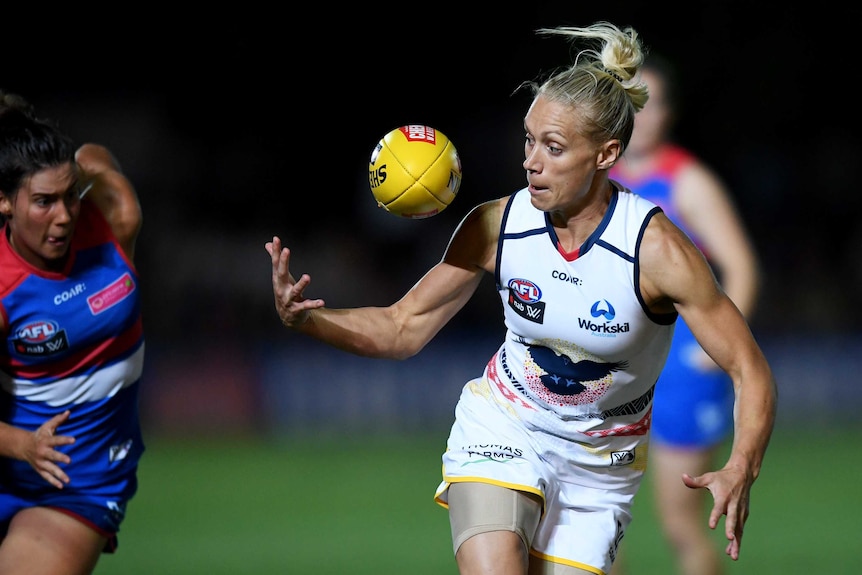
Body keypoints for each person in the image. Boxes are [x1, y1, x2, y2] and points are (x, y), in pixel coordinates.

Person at [266, 21, 776, 575]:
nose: (532, 160)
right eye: (528, 141)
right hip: (504, 426)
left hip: (599, 466)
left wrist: (742, 464)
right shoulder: (497, 225)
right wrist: (306, 321)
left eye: (554, 148)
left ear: (606, 155)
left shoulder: (656, 251)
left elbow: (749, 369)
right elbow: (401, 327)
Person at [607, 55, 761, 575]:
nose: (643, 116)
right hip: (614, 370)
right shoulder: (595, 180)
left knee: (680, 524)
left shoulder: (688, 182)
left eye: (652, 105)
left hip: (680, 373)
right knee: (598, 526)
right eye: (633, 104)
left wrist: (712, 353)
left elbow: (741, 269)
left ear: (667, 113)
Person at [0, 91, 145, 575]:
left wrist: (72, 169)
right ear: (4, 201)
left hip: (80, 482)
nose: (63, 216)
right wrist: (22, 445)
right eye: (43, 202)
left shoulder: (113, 214)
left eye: (68, 196)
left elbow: (93, 156)